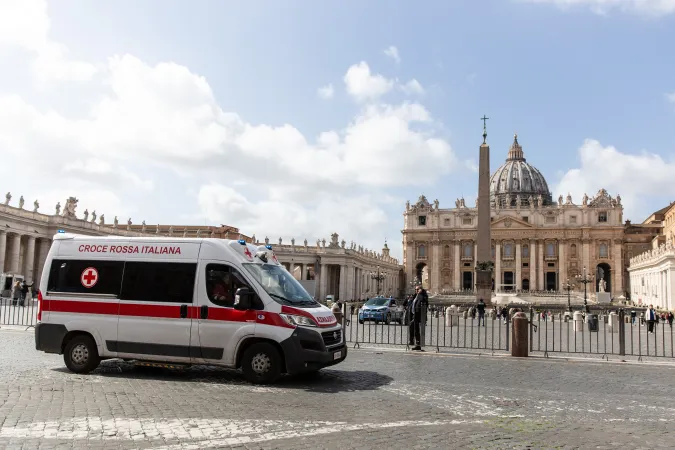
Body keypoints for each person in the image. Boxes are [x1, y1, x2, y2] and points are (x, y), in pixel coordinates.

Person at [408, 285, 428, 351]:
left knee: (417, 330)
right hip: (414, 315)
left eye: (418, 289)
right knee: (413, 327)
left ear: (421, 289)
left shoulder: (423, 295)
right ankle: (414, 342)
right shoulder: (415, 296)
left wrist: (421, 293)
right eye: (416, 289)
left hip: (420, 315)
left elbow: (423, 300)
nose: (416, 291)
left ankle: (418, 344)